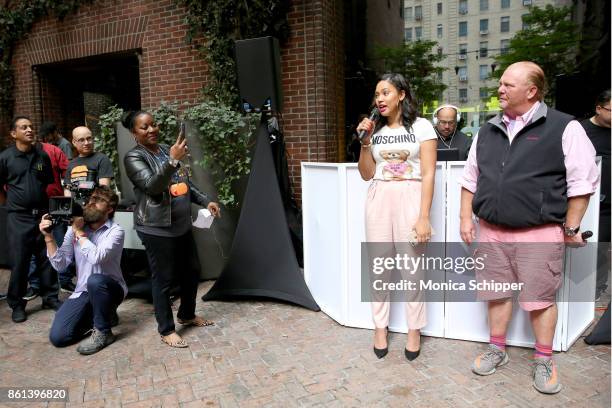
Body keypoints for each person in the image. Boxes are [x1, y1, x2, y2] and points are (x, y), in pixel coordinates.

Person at [460, 61, 599, 394]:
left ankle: (544, 359)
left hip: (539, 232)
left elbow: (583, 182)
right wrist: (466, 218)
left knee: (540, 299)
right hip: (491, 230)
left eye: (508, 84)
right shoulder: (487, 129)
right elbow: (470, 179)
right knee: (496, 295)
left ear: (532, 91)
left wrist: (571, 226)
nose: (500, 89)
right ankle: (497, 349)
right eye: (501, 84)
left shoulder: (564, 127)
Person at [123, 111, 221, 348]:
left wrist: (205, 199)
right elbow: (152, 187)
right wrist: (172, 161)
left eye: (153, 124)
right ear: (134, 132)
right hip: (156, 227)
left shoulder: (168, 149)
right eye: (144, 127)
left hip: (181, 224)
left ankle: (186, 314)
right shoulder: (134, 157)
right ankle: (166, 329)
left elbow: (184, 183)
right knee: (164, 279)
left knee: (192, 271)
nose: (151, 129)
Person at [356, 73, 437, 361]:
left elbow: (428, 173)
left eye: (386, 92)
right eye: (377, 94)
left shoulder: (422, 127)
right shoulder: (373, 130)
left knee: (412, 270)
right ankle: (380, 327)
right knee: (378, 268)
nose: (379, 99)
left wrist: (424, 216)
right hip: (379, 196)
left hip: (410, 196)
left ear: (401, 94)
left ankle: (414, 330)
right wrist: (365, 143)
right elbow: (366, 174)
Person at [42, 185, 126, 355]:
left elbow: (97, 257)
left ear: (110, 209)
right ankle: (103, 316)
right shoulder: (73, 229)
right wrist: (48, 237)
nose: (92, 202)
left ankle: (103, 332)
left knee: (95, 280)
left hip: (110, 288)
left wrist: (79, 232)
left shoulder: (116, 231)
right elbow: (60, 264)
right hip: (83, 291)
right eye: (92, 198)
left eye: (99, 200)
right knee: (59, 337)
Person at [0, 116, 62, 323]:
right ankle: (17, 304)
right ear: (13, 133)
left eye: (31, 127)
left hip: (41, 214)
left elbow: (46, 184)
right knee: (20, 261)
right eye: (23, 127)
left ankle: (50, 297)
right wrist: (11, 204)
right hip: (18, 217)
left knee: (46, 257)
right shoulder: (5, 158)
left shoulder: (42, 156)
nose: (29, 130)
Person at [24, 138, 72, 301]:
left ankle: (64, 281)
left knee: (59, 241)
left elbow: (67, 174)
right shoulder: (16, 155)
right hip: (28, 208)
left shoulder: (52, 151)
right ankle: (35, 285)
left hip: (54, 204)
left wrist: (67, 200)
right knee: (32, 247)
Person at [580, 89, 611, 299]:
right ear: (598, 108)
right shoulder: (581, 131)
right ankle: (594, 290)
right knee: (596, 248)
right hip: (595, 204)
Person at [64, 126, 113, 195]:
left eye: (89, 138)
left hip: (94, 204)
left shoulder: (101, 159)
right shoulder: (71, 164)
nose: (86, 143)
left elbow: (104, 189)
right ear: (74, 142)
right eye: (81, 140)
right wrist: (69, 204)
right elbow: (67, 189)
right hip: (74, 204)